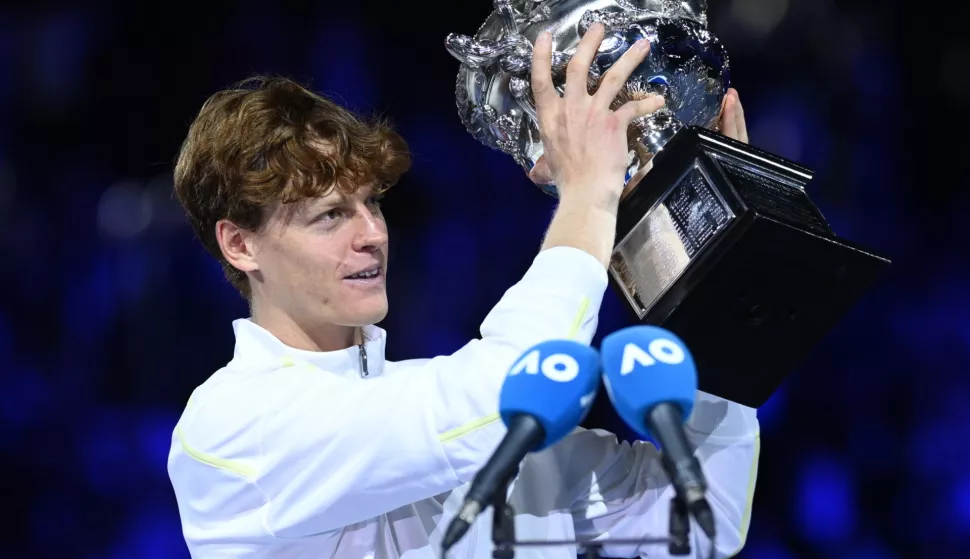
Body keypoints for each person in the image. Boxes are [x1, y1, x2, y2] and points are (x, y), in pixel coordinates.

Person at [167, 24, 758, 558]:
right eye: (329, 216)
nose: (372, 233)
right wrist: (587, 195)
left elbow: (704, 521)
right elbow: (501, 401)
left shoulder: (443, 414)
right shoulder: (232, 428)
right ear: (240, 245)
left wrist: (714, 251)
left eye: (371, 202)